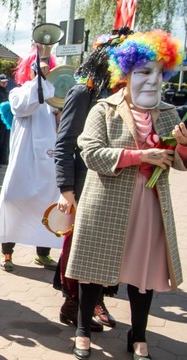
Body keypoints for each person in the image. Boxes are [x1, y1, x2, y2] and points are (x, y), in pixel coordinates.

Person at [66, 30, 187, 360]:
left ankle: (138, 336)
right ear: (126, 74)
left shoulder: (168, 113)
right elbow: (91, 153)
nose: (151, 79)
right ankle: (82, 329)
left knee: (144, 274)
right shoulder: (102, 110)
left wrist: (186, 144)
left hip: (150, 207)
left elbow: (183, 162)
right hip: (106, 203)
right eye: (142, 71)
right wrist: (142, 156)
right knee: (93, 269)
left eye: (157, 72)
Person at [54, 30, 133, 333]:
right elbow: (64, 144)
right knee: (79, 249)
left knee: (111, 249)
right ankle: (73, 304)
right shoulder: (83, 92)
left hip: (118, 187)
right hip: (86, 187)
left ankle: (96, 300)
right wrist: (66, 189)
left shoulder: (128, 97)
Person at [0, 47, 61, 272]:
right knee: (13, 202)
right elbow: (24, 107)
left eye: (46, 68)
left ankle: (43, 254)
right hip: (23, 160)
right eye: (38, 67)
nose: (42, 71)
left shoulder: (54, 96)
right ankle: (7, 253)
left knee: (47, 206)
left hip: (48, 160)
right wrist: (38, 80)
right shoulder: (18, 93)